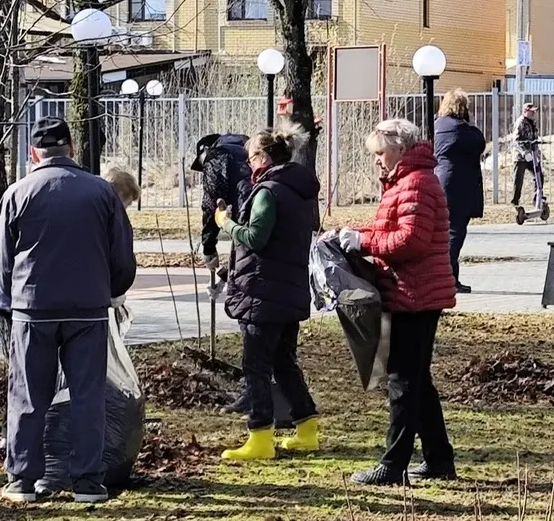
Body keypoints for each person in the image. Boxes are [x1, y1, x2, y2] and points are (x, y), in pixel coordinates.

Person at [0, 118, 137, 505]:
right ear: (71, 148)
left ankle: (23, 480)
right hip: (87, 309)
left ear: (34, 152)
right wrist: (111, 291)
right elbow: (122, 255)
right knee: (88, 395)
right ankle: (88, 482)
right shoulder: (101, 192)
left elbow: (1, 260)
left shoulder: (17, 193)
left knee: (28, 394)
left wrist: (9, 301)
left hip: (33, 308)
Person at [340, 118, 456, 485]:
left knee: (402, 381)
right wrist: (352, 233)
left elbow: (411, 241)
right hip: (410, 292)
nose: (376, 159)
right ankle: (438, 459)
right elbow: (389, 229)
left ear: (400, 149)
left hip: (415, 295)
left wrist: (364, 244)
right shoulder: (405, 182)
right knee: (417, 380)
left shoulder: (417, 183)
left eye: (380, 152)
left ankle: (393, 465)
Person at [218, 130, 322, 462]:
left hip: (263, 292)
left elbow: (256, 238)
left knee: (256, 366)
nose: (249, 165)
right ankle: (306, 429)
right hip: (288, 289)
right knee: (284, 362)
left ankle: (260, 436)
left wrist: (226, 223)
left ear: (263, 157)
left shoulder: (268, 191)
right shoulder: (299, 191)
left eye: (250, 158)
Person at [431, 90, 486, 294]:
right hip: (458, 186)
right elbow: (480, 142)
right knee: (455, 233)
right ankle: (447, 278)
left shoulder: (436, 126)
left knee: (444, 233)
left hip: (440, 181)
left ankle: (448, 278)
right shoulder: (462, 130)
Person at [194, 133, 252, 279]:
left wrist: (208, 247)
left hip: (246, 218)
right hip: (265, 212)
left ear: (205, 150)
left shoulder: (216, 157)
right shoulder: (251, 147)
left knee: (246, 270)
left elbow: (211, 204)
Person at [511, 100, 544, 220]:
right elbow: (515, 141)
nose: (534, 113)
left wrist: (537, 153)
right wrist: (524, 152)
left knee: (539, 176)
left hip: (532, 155)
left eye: (535, 112)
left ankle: (537, 199)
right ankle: (515, 203)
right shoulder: (520, 123)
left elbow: (534, 139)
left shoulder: (533, 123)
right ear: (525, 111)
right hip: (520, 157)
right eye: (532, 112)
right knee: (518, 180)